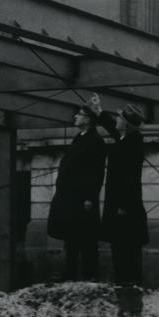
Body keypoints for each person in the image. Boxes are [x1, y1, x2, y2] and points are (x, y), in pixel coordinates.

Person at [91, 94, 149, 291]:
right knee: (120, 247)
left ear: (125, 124)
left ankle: (130, 286)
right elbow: (110, 127)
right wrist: (99, 110)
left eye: (119, 118)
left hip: (126, 209)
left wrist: (124, 206)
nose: (116, 120)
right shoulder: (126, 139)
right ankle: (125, 284)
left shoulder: (133, 143)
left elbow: (130, 178)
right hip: (120, 207)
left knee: (126, 249)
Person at [47, 104, 106, 281]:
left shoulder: (95, 140)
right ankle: (70, 274)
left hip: (82, 199)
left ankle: (90, 276)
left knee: (86, 239)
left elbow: (96, 172)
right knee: (71, 237)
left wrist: (89, 197)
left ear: (88, 119)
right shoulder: (79, 138)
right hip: (70, 198)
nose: (75, 118)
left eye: (79, 115)